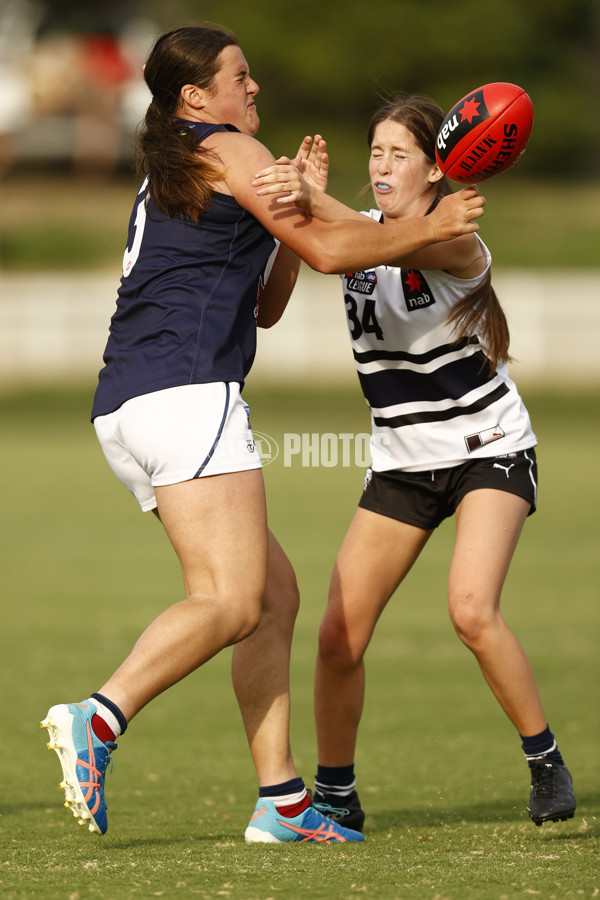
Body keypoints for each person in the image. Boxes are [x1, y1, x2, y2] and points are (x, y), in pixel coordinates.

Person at [40, 29, 485, 845]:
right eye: (238, 77)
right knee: (232, 600)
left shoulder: (178, 159)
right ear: (195, 99)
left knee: (273, 597)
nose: (254, 88)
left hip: (130, 403)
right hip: (185, 392)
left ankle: (281, 803)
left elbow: (271, 300)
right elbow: (329, 253)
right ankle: (97, 717)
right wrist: (432, 224)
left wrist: (296, 207)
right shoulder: (231, 147)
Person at [252, 96, 576, 831]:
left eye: (400, 155)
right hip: (402, 460)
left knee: (470, 609)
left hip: (488, 448)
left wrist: (314, 200)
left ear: (439, 168)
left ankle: (545, 761)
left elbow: (394, 244)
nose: (383, 167)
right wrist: (307, 197)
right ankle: (337, 796)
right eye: (376, 154)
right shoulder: (360, 231)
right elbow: (343, 240)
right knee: (339, 637)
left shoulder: (456, 240)